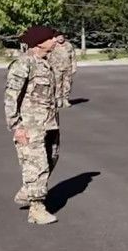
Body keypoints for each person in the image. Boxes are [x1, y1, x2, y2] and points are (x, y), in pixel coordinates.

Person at [4, 25, 62, 225]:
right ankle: (36, 209)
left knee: (51, 159)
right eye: (51, 38)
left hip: (49, 124)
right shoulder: (23, 64)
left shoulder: (45, 63)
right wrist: (16, 126)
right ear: (39, 42)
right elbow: (11, 97)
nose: (55, 40)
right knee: (36, 166)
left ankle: (28, 190)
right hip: (30, 126)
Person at [47, 33, 76, 109]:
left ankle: (65, 100)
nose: (60, 38)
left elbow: (73, 57)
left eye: (62, 36)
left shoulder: (69, 45)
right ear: (56, 37)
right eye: (58, 37)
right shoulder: (53, 45)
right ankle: (58, 100)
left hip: (67, 68)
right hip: (56, 69)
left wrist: (74, 67)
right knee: (57, 85)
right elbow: (47, 56)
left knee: (67, 84)